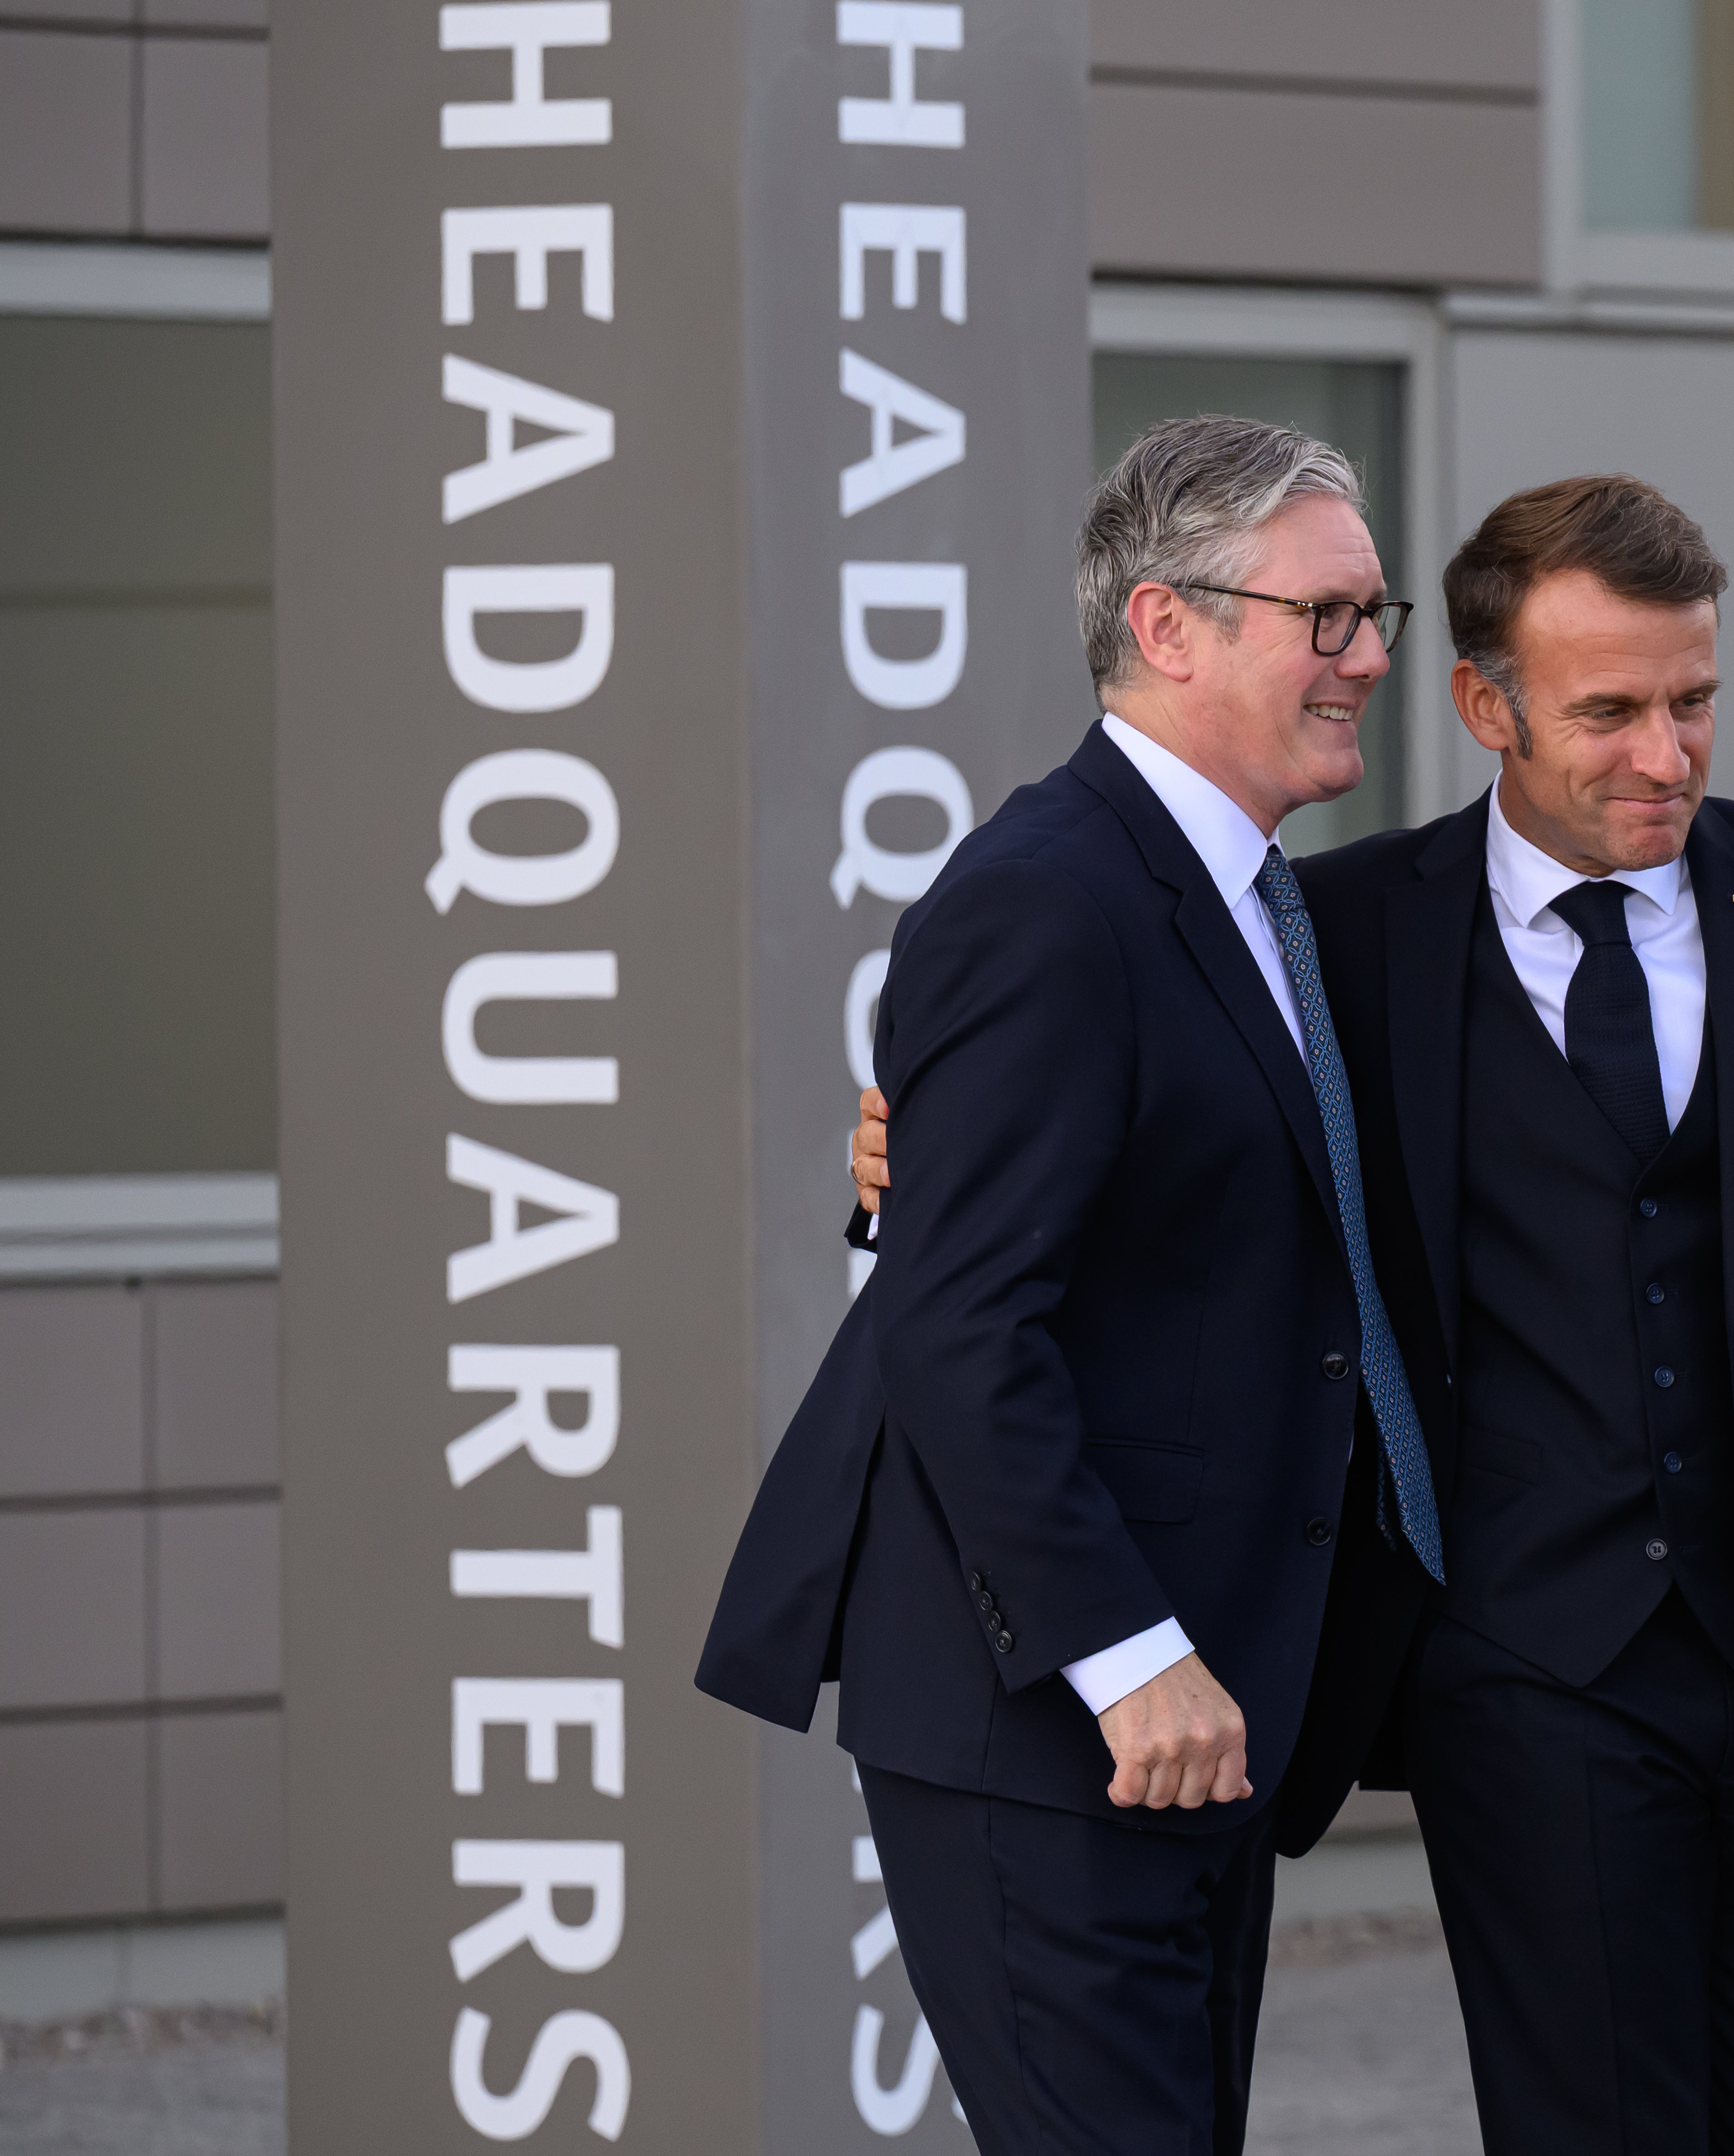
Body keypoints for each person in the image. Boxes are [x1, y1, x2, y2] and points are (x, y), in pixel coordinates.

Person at [853, 473, 1734, 2153]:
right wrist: (900, 1167)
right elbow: (1149, 1164)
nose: (1666, 755)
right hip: (1522, 1669)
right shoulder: (1342, 933)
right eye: (1611, 712)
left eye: (1695, 703)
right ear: (1487, 705)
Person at [698, 414, 1446, 2154]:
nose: (1373, 656)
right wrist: (1128, 1659)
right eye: (1326, 617)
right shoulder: (1046, 898)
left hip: (1205, 1715)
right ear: (1169, 625)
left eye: (1374, 611)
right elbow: (965, 1323)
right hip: (1071, 1718)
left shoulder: (1258, 900)